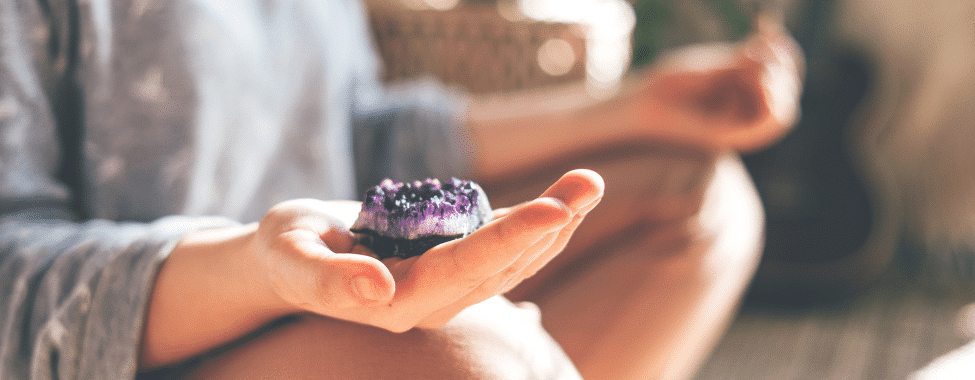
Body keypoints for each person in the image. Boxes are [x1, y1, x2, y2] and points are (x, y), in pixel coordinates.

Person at [0, 0, 803, 379]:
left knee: (696, 199)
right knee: (473, 363)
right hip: (133, 336)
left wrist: (634, 106)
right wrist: (256, 269)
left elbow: (350, 130)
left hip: (305, 265)